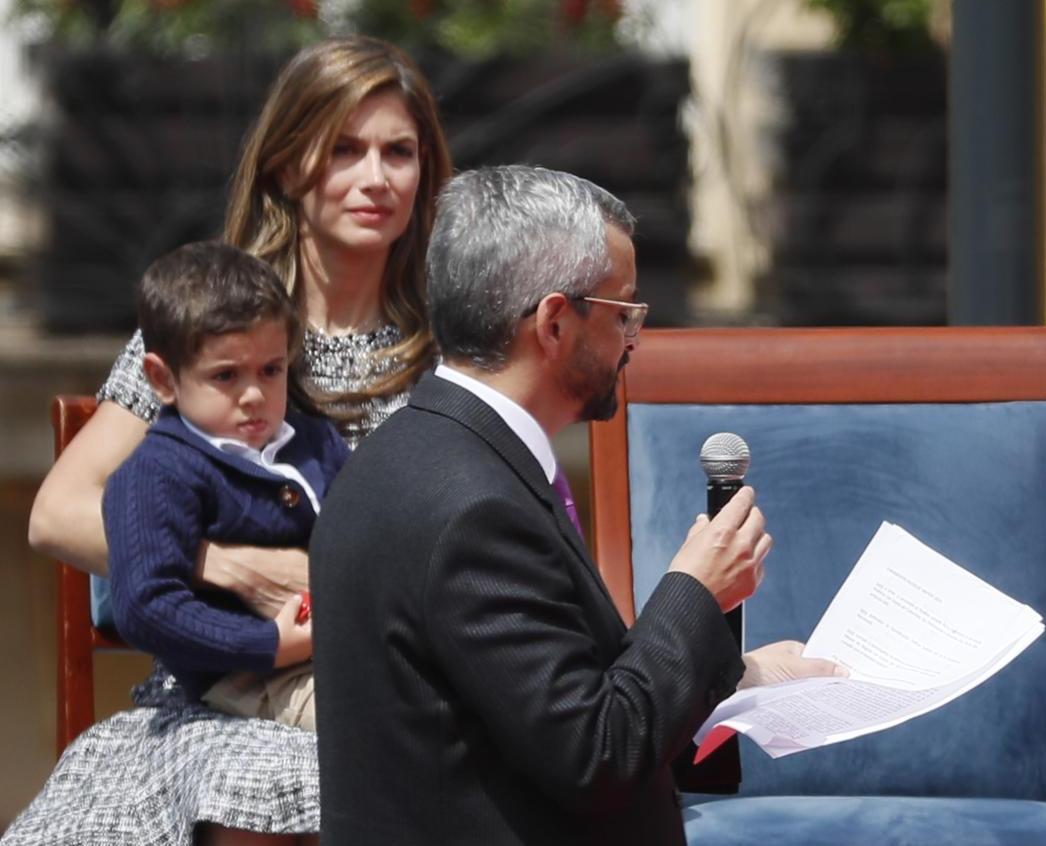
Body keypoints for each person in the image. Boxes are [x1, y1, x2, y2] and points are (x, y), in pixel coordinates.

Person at [309, 165, 843, 846]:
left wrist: (742, 676)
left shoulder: (409, 453)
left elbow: (541, 701)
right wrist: (695, 592)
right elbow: (595, 754)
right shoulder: (474, 509)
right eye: (625, 312)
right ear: (555, 322)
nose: (635, 339)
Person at [10, 35, 450, 845]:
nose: (376, 178)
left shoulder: (451, 347)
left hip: (389, 676)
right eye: (344, 149)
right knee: (260, 789)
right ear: (287, 166)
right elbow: (59, 511)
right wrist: (230, 566)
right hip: (216, 681)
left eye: (399, 152)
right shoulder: (210, 324)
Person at [106, 242, 346, 733]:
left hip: (355, 649)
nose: (254, 394)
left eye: (271, 370)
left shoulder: (316, 443)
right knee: (385, 728)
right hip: (247, 680)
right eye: (226, 376)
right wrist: (268, 644)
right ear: (163, 379)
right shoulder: (159, 471)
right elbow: (146, 605)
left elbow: (374, 524)